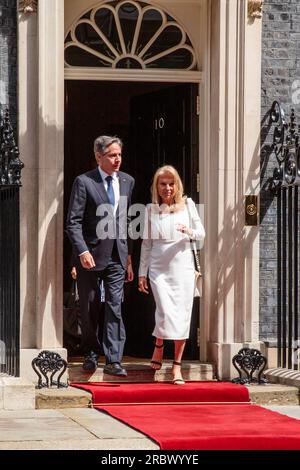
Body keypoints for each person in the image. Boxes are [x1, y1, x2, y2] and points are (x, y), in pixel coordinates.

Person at [66, 135, 135, 376]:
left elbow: (125, 221)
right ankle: (91, 353)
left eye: (119, 155)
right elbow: (73, 222)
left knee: (115, 306)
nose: (118, 160)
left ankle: (114, 359)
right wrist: (82, 251)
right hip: (91, 255)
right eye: (112, 155)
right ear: (98, 156)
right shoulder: (84, 182)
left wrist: (128, 257)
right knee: (90, 306)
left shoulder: (127, 181)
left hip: (117, 255)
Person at [138, 165, 205, 385]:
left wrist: (189, 232)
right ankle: (159, 344)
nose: (167, 188)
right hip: (159, 268)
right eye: (162, 184)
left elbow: (201, 235)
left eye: (171, 183)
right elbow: (146, 244)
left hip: (183, 268)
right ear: (156, 186)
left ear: (177, 185)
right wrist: (142, 273)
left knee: (182, 316)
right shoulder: (150, 209)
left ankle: (177, 366)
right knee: (165, 310)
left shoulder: (188, 205)